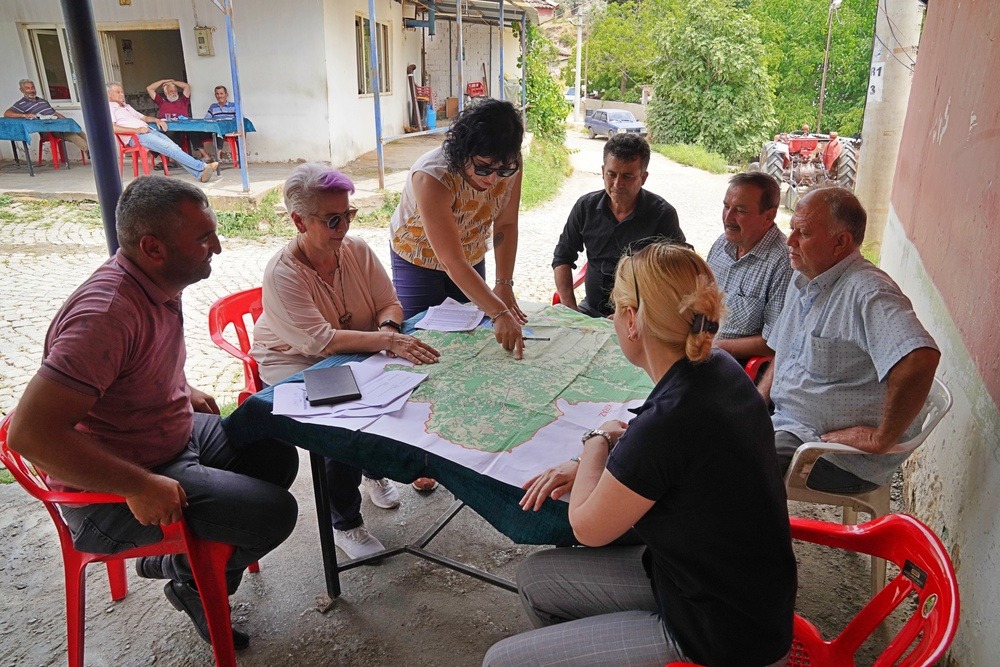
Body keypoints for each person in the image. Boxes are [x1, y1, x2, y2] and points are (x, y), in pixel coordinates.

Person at [6, 176, 299, 650]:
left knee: (275, 446)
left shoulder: (157, 281)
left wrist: (183, 386)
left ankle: (200, 574)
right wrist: (136, 485)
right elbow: (31, 434)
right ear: (153, 247)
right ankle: (183, 572)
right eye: (204, 238)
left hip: (167, 443)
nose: (218, 248)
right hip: (111, 491)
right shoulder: (106, 313)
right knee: (273, 515)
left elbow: (127, 369)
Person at [489, 243, 796, 667]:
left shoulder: (670, 420)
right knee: (535, 578)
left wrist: (595, 441)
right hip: (721, 588)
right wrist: (592, 461)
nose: (613, 317)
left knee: (501, 662)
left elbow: (587, 527)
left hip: (720, 633)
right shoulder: (717, 368)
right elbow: (666, 450)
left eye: (615, 308)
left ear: (632, 320)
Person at [251, 163, 442, 558]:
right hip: (297, 362)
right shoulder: (284, 273)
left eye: (348, 215)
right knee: (339, 418)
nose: (344, 227)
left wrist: (388, 331)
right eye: (332, 219)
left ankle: (372, 470)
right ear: (299, 221)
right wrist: (386, 341)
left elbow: (389, 302)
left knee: (403, 385)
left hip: (355, 348)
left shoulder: (354, 250)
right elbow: (320, 341)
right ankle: (345, 522)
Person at [758, 187, 941, 493]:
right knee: (696, 431)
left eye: (802, 233)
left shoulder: (867, 291)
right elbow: (784, 353)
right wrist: (754, 403)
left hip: (830, 454)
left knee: (726, 464)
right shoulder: (803, 275)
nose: (789, 242)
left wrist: (880, 439)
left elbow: (919, 359)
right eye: (792, 229)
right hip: (786, 422)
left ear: (840, 241)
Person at [390, 99, 527, 359]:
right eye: (483, 167)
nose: (492, 179)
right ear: (463, 151)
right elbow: (451, 260)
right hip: (418, 255)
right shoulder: (433, 176)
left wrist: (504, 284)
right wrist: (499, 312)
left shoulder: (509, 164)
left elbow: (507, 224)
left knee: (472, 338)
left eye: (502, 170)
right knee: (425, 340)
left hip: (470, 251)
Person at [552, 133, 685, 317]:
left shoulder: (662, 215)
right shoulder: (585, 207)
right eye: (611, 174)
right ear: (602, 171)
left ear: (643, 177)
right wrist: (570, 309)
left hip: (641, 316)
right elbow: (562, 257)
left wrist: (635, 314)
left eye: (627, 176)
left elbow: (680, 273)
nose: (617, 184)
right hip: (590, 310)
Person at [706, 172, 792, 364]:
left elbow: (772, 343)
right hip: (705, 348)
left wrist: (712, 347)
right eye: (726, 207)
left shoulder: (783, 263)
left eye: (740, 211)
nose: (728, 218)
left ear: (768, 216)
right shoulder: (722, 244)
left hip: (738, 365)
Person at [107, 82, 219, 183]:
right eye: (118, 92)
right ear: (109, 95)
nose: (121, 94)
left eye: (122, 92)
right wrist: (137, 130)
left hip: (149, 131)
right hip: (136, 136)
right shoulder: (109, 108)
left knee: (174, 147)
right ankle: (202, 166)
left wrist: (157, 120)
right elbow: (113, 128)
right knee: (170, 148)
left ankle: (200, 174)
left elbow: (144, 118)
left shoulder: (126, 107)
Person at [4, 78, 89, 156]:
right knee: (71, 134)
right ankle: (90, 152)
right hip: (47, 130)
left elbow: (55, 113)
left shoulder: (43, 101)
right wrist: (24, 115)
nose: (31, 90)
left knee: (78, 131)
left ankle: (96, 148)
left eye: (32, 87)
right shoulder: (21, 104)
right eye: (28, 88)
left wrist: (65, 121)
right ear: (22, 90)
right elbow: (7, 114)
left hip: (59, 125)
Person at [198, 85, 237, 162]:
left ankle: (217, 156)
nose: (219, 96)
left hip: (227, 130)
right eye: (217, 94)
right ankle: (206, 156)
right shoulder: (213, 106)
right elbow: (206, 119)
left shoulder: (234, 106)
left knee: (219, 129)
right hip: (214, 130)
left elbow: (239, 119)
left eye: (221, 93)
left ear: (226, 94)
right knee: (194, 133)